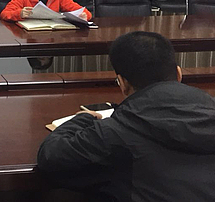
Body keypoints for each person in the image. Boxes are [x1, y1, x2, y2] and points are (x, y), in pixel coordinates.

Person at [37, 31, 215, 201]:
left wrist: (84, 118)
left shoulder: (118, 130)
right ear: (179, 74)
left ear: (122, 84)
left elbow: (51, 157)